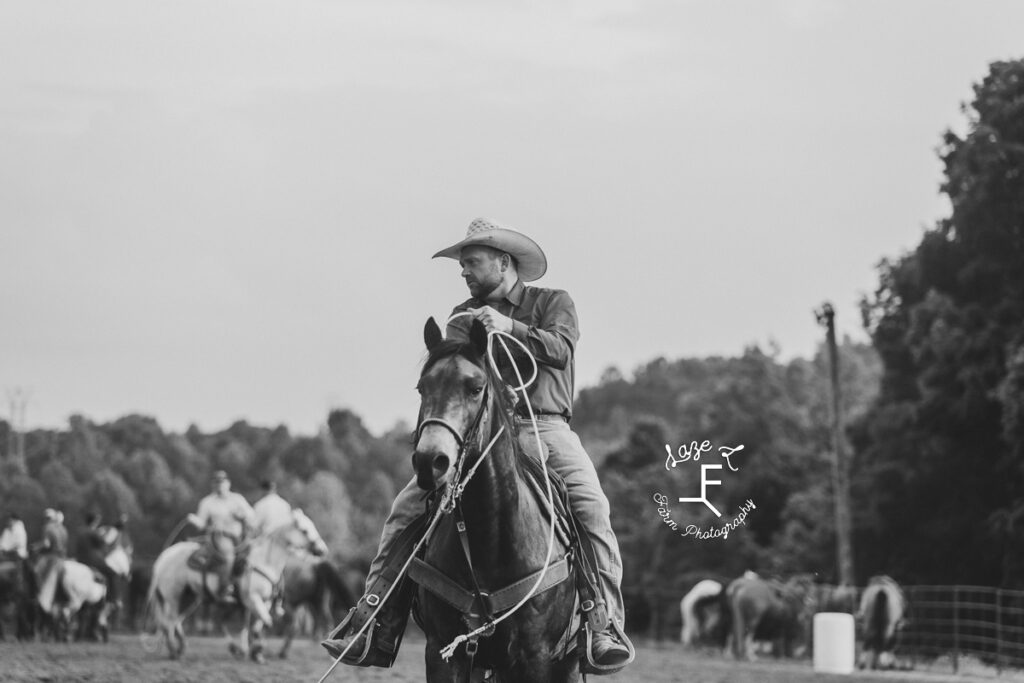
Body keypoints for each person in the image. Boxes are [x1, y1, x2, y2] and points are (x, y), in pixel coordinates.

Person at [323, 218, 632, 671]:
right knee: (406, 509)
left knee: (592, 508)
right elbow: (451, 376)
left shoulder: (553, 302)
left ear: (502, 262)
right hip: (479, 434)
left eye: (471, 262)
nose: (463, 272)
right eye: (462, 264)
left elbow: (561, 349)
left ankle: (601, 622)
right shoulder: (462, 314)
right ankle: (374, 620)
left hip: (545, 428)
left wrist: (510, 326)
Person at [186, 470, 256, 603]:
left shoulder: (237, 499)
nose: (219, 485)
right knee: (228, 556)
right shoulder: (207, 502)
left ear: (228, 484)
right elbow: (201, 523)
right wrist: (193, 519)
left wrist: (242, 516)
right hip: (220, 537)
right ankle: (224, 589)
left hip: (240, 537)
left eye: (222, 482)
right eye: (217, 482)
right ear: (213, 485)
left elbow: (251, 515)